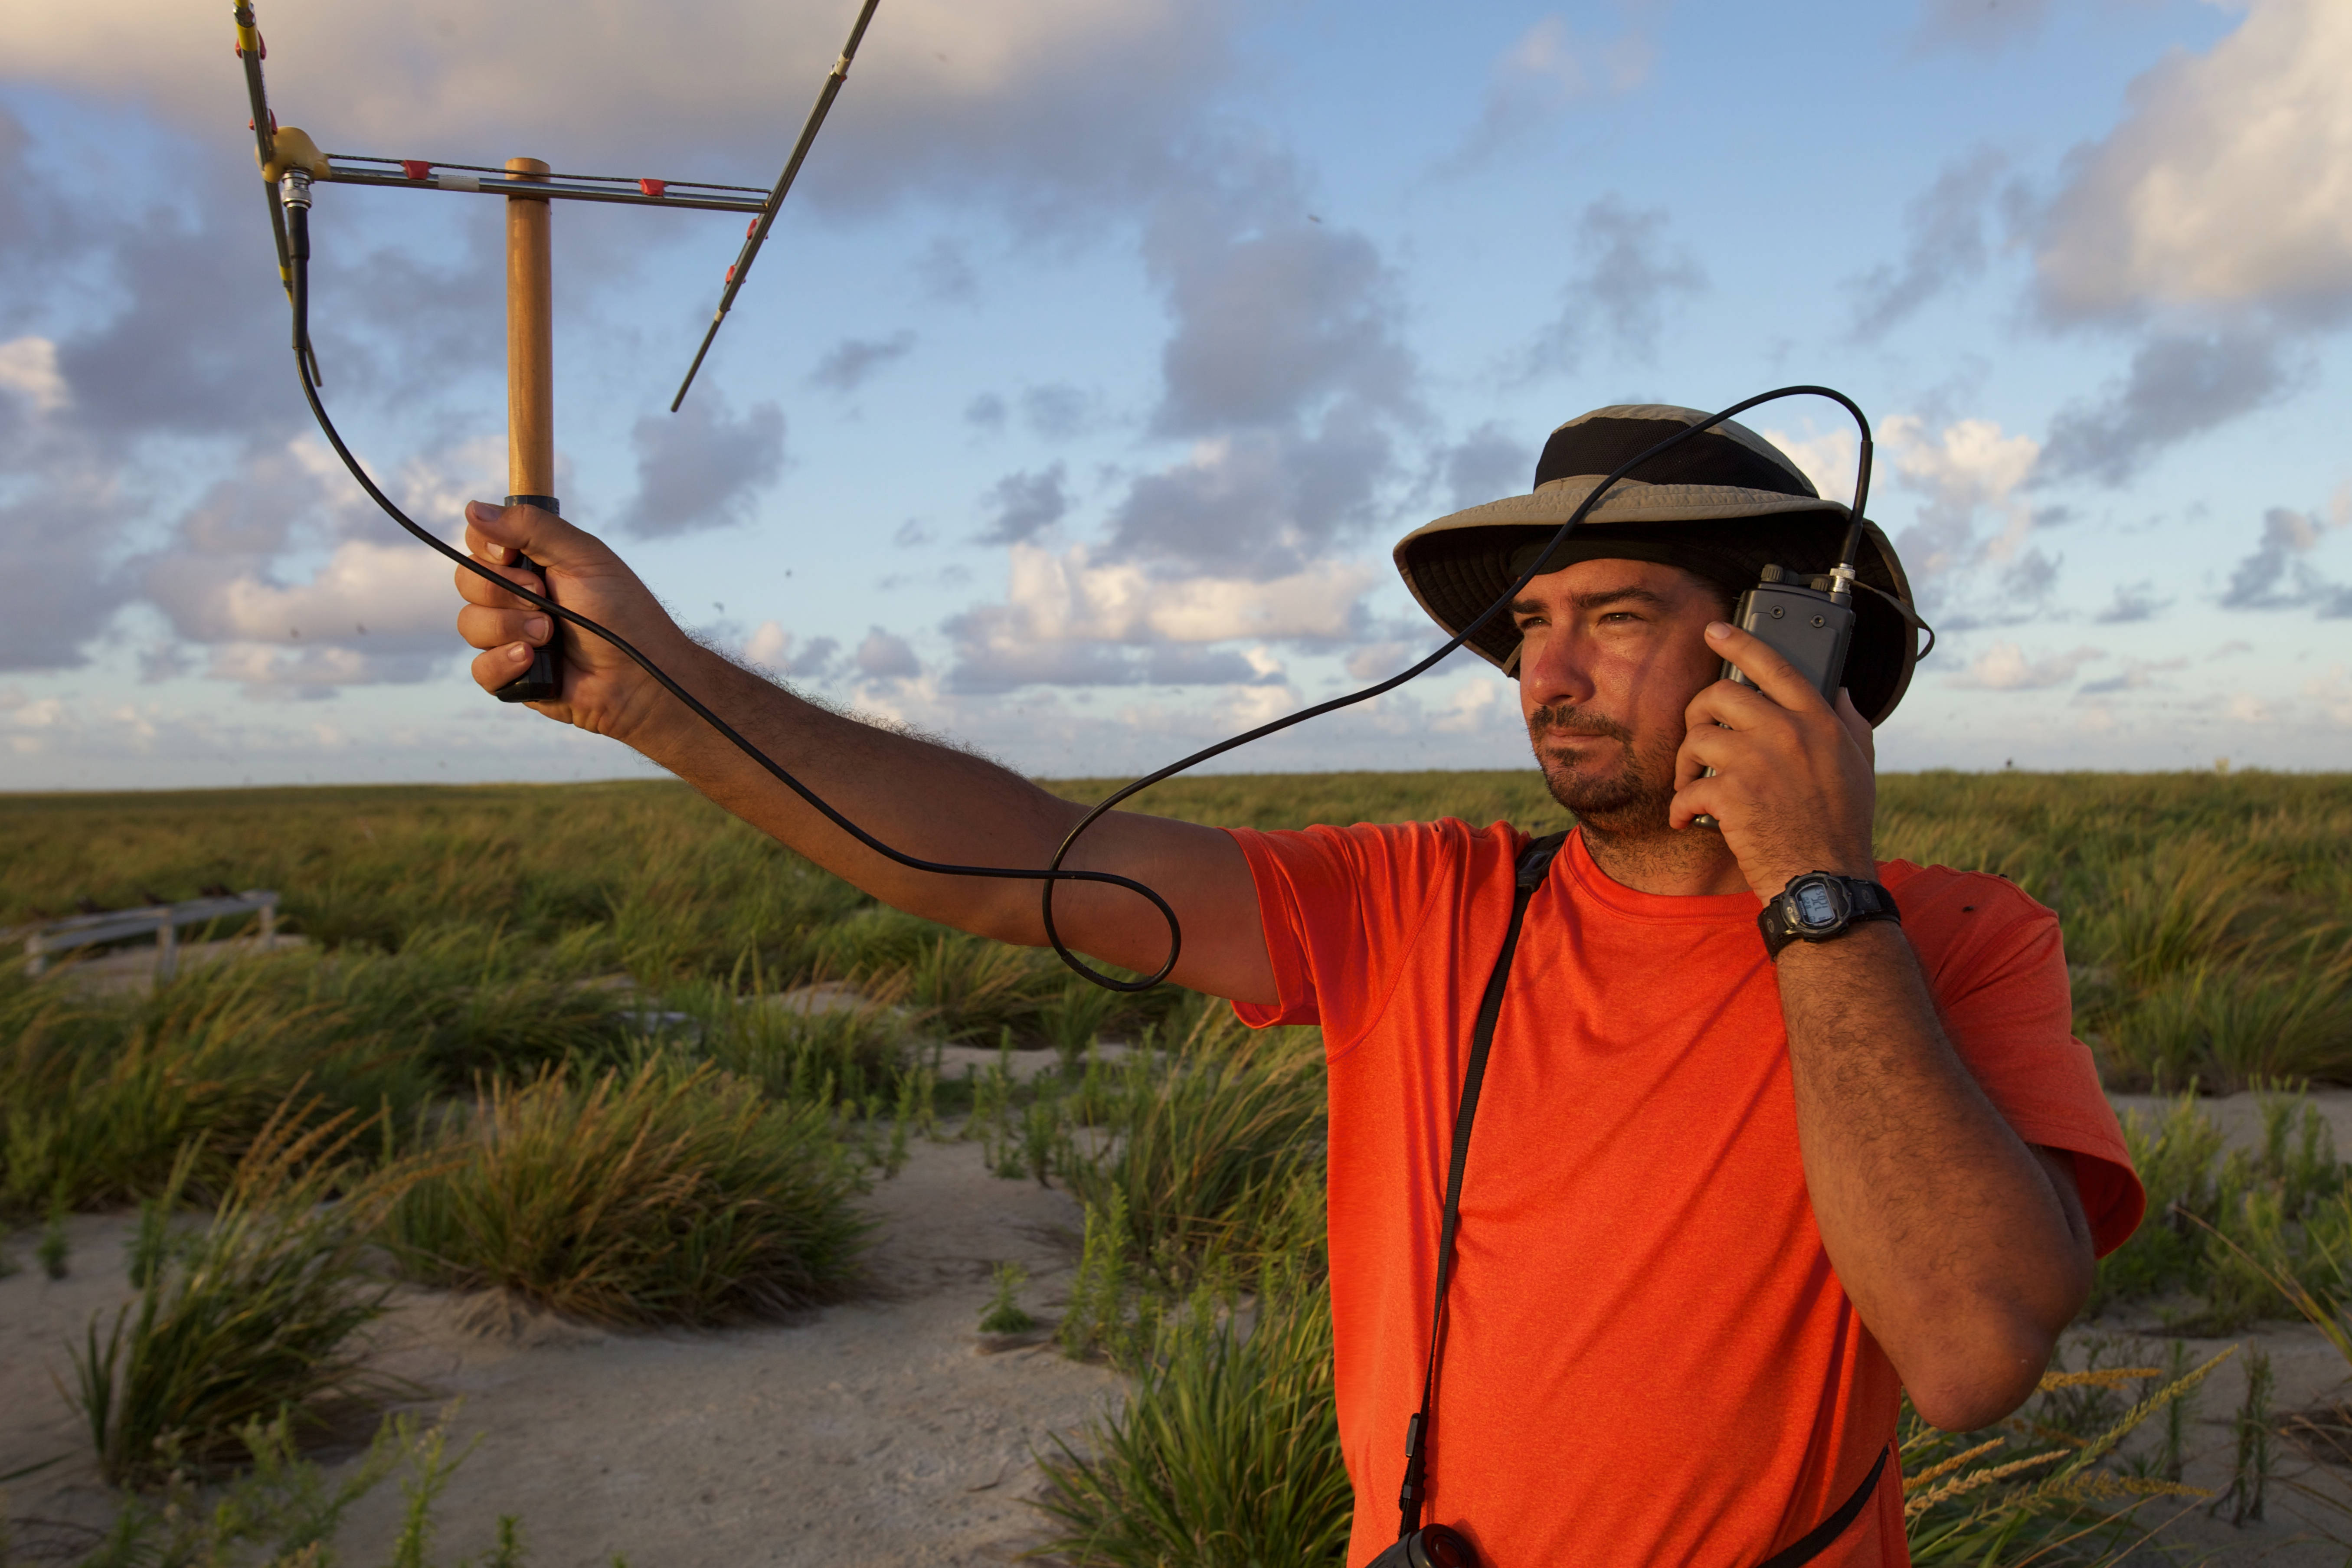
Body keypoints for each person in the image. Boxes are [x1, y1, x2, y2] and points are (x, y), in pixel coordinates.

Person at [449, 403, 2143, 1568]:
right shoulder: (1421, 902)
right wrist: (649, 691)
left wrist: (1811, 885)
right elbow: (1021, 860)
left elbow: (1973, 1347)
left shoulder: (1957, 941)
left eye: (1611, 614)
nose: (1540, 672)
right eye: (1527, 623)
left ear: (1790, 644)